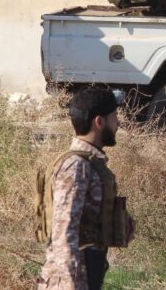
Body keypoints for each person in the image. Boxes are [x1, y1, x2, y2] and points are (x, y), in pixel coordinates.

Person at [37, 89, 134, 290]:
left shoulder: (91, 164)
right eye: (114, 117)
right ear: (99, 122)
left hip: (86, 273)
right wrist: (72, 284)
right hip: (69, 281)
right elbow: (63, 233)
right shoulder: (75, 166)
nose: (118, 124)